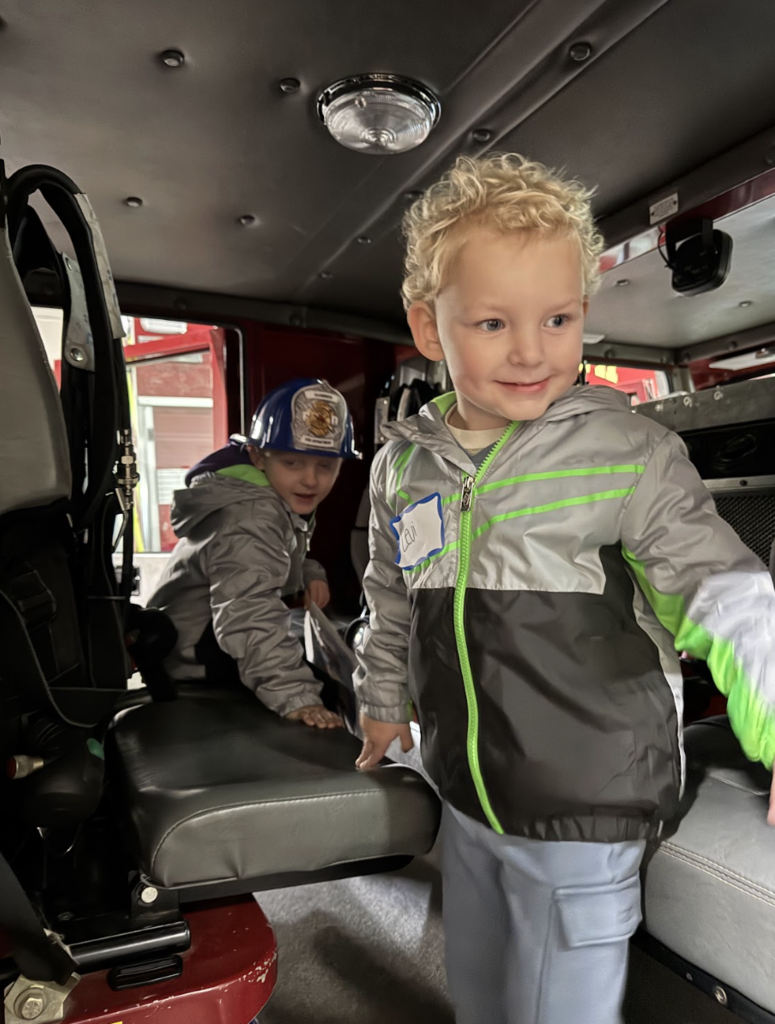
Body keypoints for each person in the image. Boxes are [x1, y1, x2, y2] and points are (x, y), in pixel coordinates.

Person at [353, 154, 775, 1024]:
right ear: (429, 329)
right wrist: (383, 696)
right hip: (467, 786)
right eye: (492, 322)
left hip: (587, 798)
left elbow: (724, 591)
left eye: (557, 318)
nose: (530, 350)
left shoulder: (626, 451)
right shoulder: (402, 465)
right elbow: (390, 596)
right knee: (477, 987)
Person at [149, 377, 359, 729]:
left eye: (325, 466)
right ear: (258, 457)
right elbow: (248, 613)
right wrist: (297, 698)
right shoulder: (251, 514)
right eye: (293, 463)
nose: (310, 479)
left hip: (208, 645)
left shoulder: (265, 497)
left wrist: (309, 573)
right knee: (325, 693)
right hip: (199, 663)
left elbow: (272, 555)